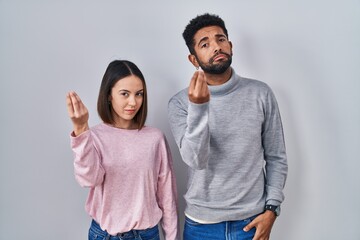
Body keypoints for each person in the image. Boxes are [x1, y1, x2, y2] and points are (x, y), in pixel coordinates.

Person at [167, 13, 288, 240]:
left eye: (220, 39)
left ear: (230, 46)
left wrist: (272, 209)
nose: (216, 46)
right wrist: (199, 107)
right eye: (205, 44)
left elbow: (276, 157)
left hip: (252, 222)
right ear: (194, 59)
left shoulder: (260, 93)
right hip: (201, 226)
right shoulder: (180, 103)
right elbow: (196, 160)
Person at [66, 60, 179, 240]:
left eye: (139, 94)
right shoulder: (93, 136)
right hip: (103, 235)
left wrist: (172, 237)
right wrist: (81, 130)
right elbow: (88, 179)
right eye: (124, 94)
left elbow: (167, 197)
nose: (133, 102)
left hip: (146, 235)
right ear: (109, 95)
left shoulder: (154, 138)